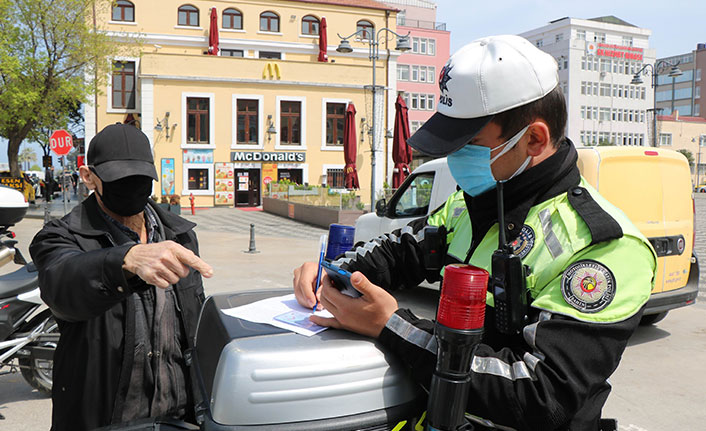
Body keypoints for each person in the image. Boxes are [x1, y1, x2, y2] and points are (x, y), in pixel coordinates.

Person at [293, 35, 656, 430]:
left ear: (533, 139)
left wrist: (393, 326)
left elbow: (543, 394)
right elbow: (399, 251)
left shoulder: (605, 245)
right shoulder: (471, 203)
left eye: (471, 144)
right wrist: (334, 271)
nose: (455, 158)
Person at [30, 123, 214, 431]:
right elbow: (61, 286)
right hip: (108, 420)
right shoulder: (60, 236)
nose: (132, 187)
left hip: (180, 419)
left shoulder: (180, 236)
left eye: (141, 179)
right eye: (120, 179)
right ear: (89, 177)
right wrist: (124, 261)